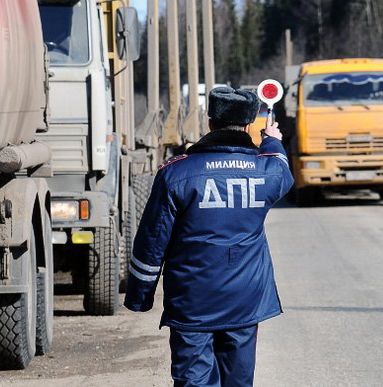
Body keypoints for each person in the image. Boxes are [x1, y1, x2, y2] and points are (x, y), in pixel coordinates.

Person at [124, 86, 294, 387]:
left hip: (192, 304)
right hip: (245, 302)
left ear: (210, 122)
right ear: (246, 125)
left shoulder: (176, 174)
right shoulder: (265, 172)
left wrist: (140, 296)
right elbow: (281, 168)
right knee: (238, 382)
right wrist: (272, 141)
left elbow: (152, 241)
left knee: (193, 381)